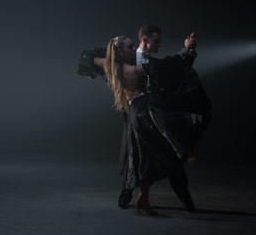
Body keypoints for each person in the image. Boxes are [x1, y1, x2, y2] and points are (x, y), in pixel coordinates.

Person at [77, 33, 199, 215]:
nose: (133, 50)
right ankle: (179, 183)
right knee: (155, 155)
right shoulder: (132, 70)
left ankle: (142, 198)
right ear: (120, 51)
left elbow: (89, 57)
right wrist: (185, 50)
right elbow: (166, 66)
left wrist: (113, 53)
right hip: (145, 114)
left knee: (141, 156)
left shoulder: (108, 65)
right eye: (130, 47)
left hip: (135, 114)